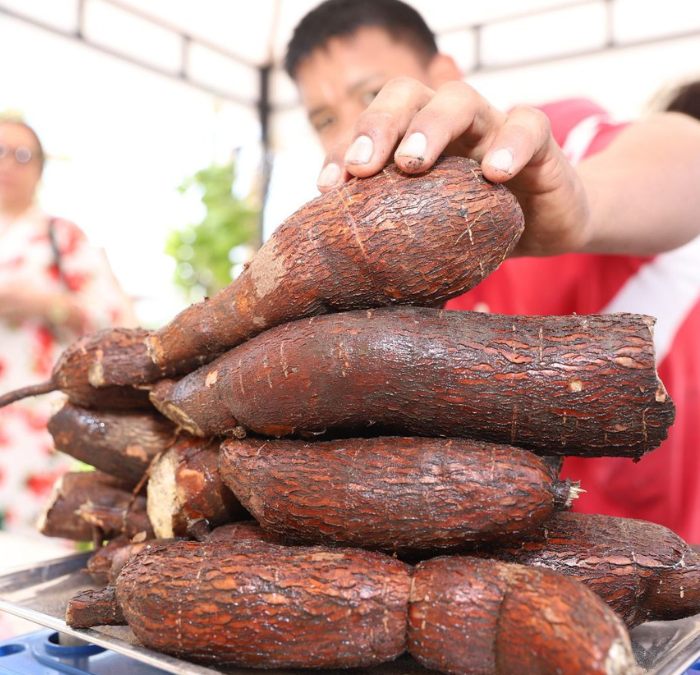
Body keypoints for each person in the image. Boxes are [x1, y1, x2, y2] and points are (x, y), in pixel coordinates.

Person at [284, 0, 700, 543]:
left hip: (667, 564)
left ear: (445, 77)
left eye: (370, 93)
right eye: (323, 118)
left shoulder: (538, 151)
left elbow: (682, 153)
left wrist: (582, 205)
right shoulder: (378, 276)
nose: (351, 129)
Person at [0, 117, 137, 537]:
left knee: (29, 554)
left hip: (31, 424)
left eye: (22, 155)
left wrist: (46, 304)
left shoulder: (60, 235)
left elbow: (113, 321)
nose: (8, 164)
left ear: (40, 169)